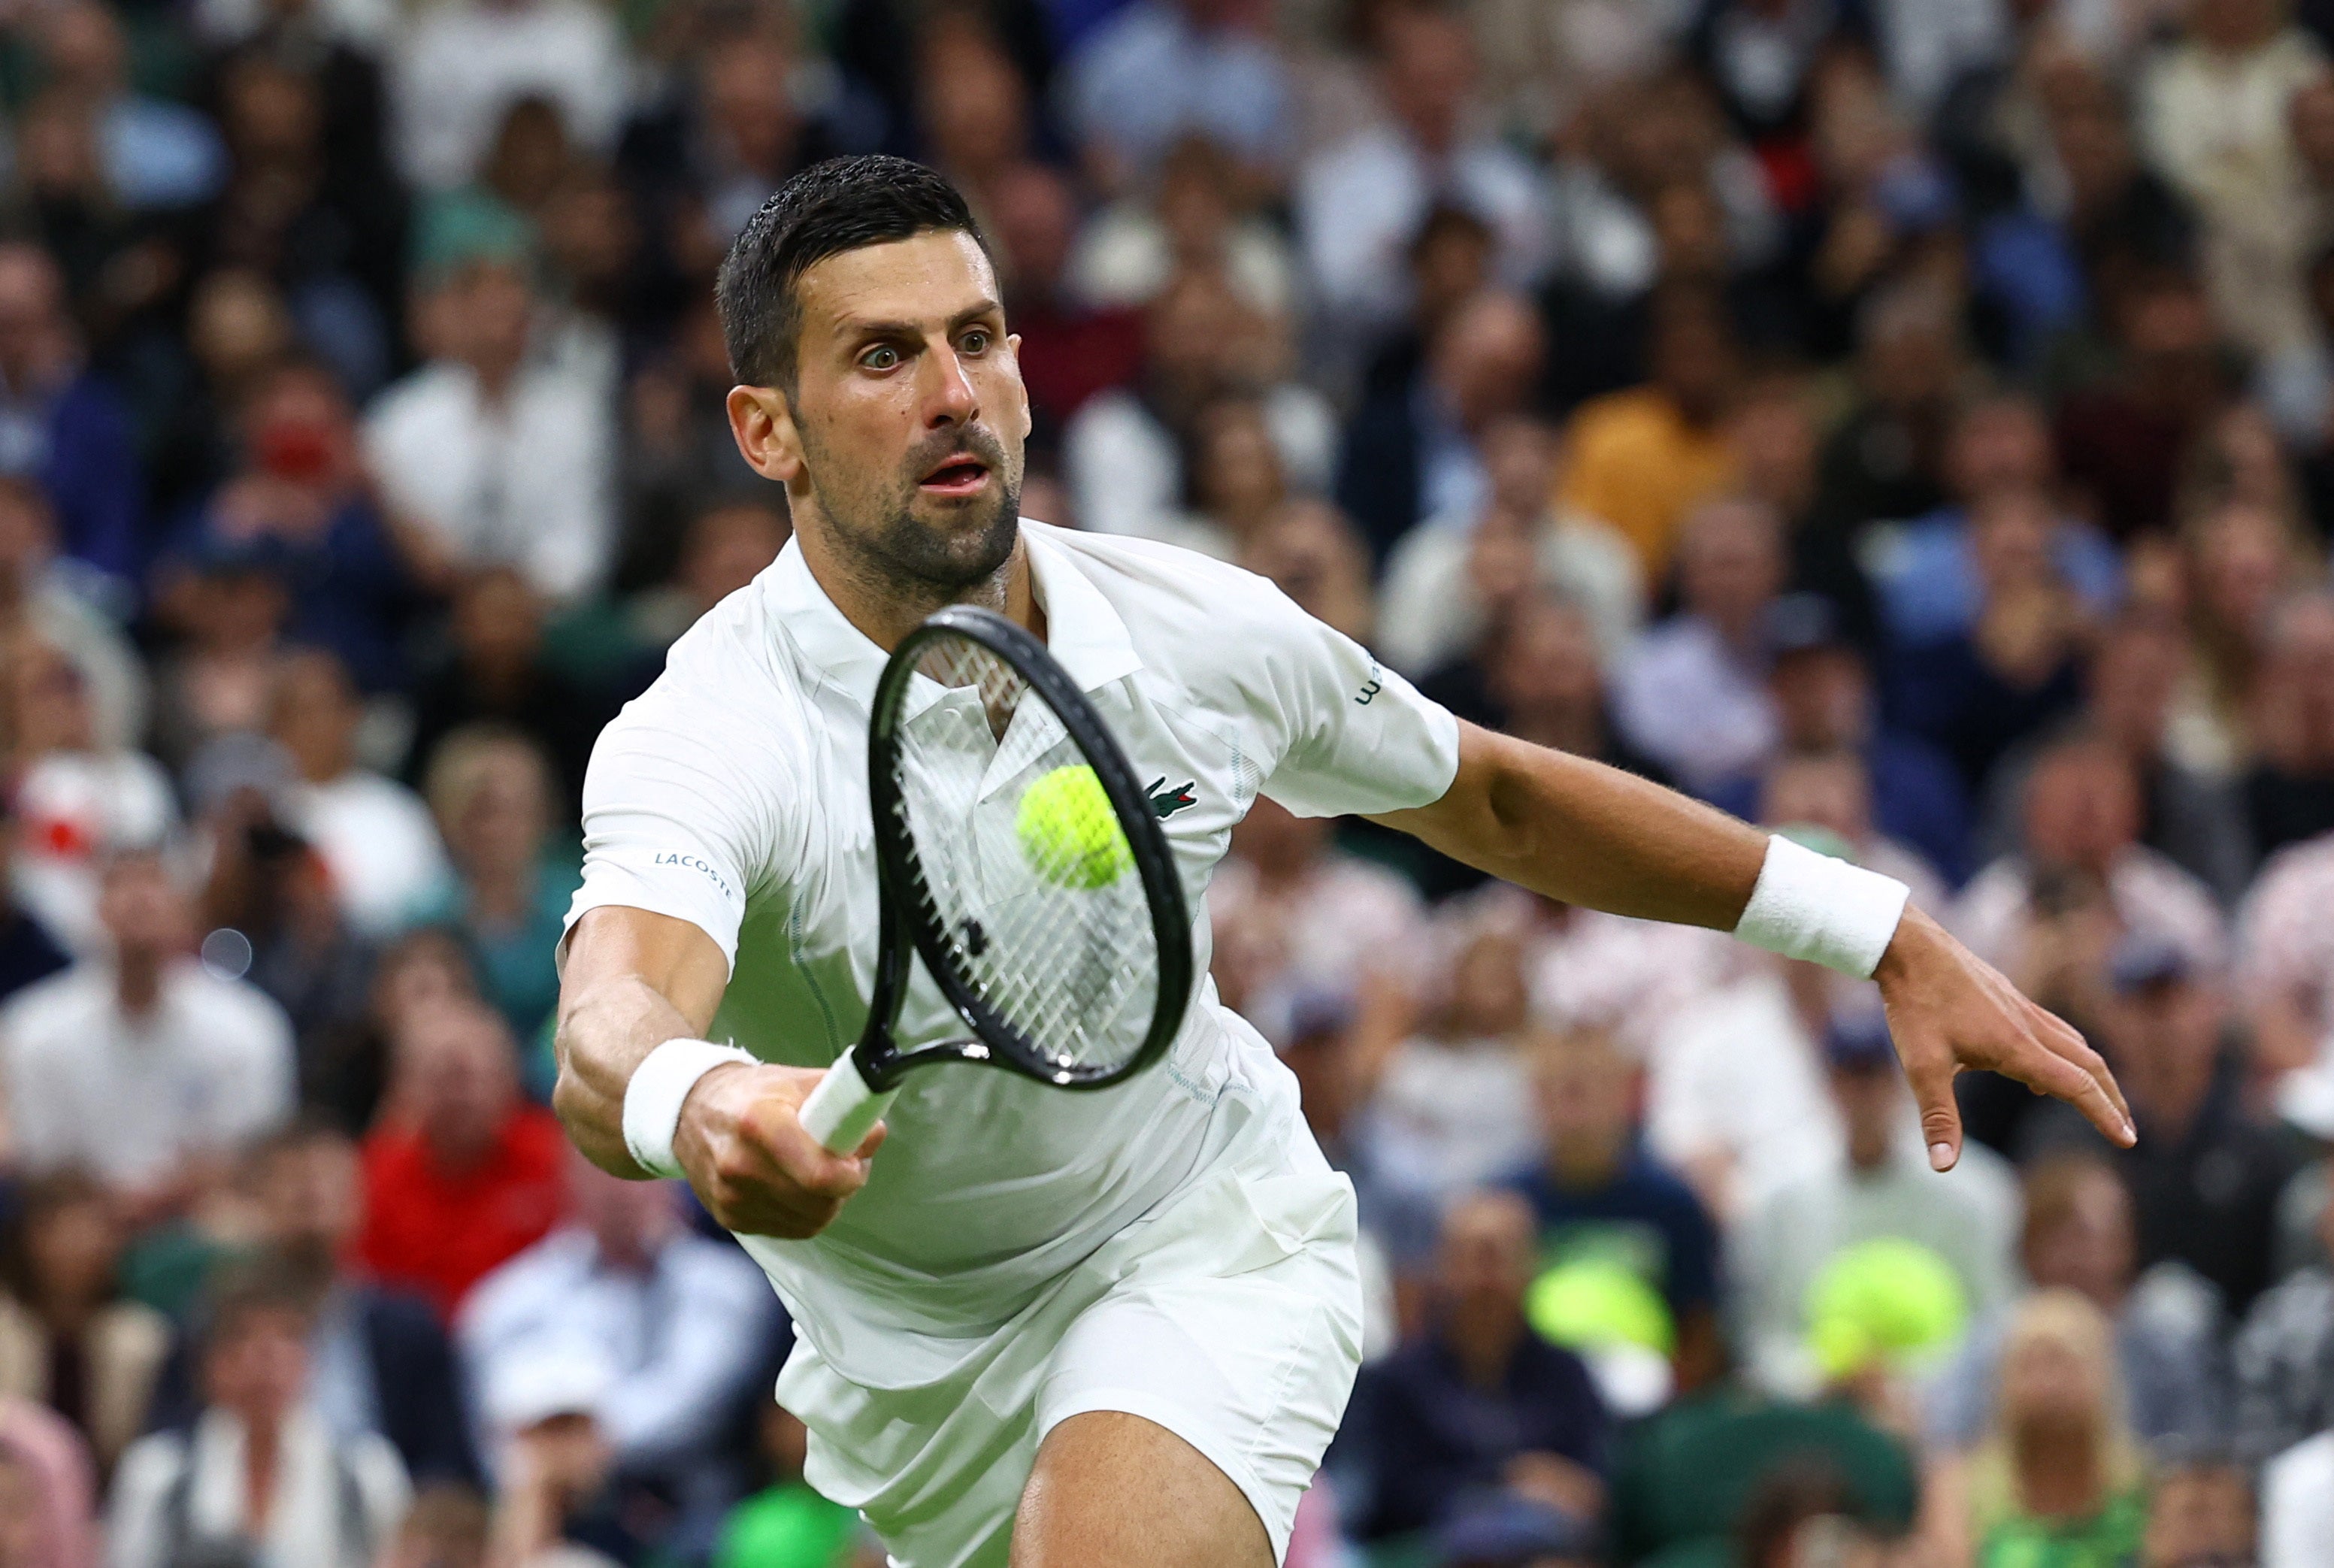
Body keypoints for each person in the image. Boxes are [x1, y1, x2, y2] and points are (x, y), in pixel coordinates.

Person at [552, 156, 2130, 1568]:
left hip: (1197, 1233)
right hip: (914, 1382)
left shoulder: (1192, 633)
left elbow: (1494, 799)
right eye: (881, 355)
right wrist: (695, 1098)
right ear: (766, 428)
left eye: (976, 335)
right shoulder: (705, 732)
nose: (951, 389)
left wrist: (1872, 926)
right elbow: (609, 1010)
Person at [459, 1151, 777, 1548]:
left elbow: (694, 1402)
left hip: (689, 1507)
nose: (617, 1189)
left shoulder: (726, 1284)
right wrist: (558, 1460)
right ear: (568, 1181)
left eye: (635, 1171)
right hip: (552, 1504)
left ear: (672, 1177)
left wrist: (576, 1443)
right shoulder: (510, 1300)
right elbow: (494, 1420)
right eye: (601, 1171)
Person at [1736, 1010, 2021, 1400]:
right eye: (1847, 1078)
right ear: (1828, 1085)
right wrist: (1821, 1378)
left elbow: (1994, 1319)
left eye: (1874, 1076)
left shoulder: (1975, 1192)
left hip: (1949, 1412)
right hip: (1819, 1410)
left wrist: (1914, 1388)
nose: (1862, 1094)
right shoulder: (1779, 1199)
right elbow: (1766, 1334)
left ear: (1901, 1081)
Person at [0, 849, 293, 1214]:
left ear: (187, 908)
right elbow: (36, 1158)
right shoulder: (32, 1027)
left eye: (154, 882)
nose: (138, 899)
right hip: (74, 1220)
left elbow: (253, 1156)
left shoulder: (249, 1026)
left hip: (196, 1221)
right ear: (94, 909)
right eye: (119, 884)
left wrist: (166, 1196)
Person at [1337, 1191, 1609, 1545]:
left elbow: (1596, 1487)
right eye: (1473, 1259)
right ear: (1442, 1267)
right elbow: (1382, 1501)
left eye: (1500, 1258)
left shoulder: (1567, 1375)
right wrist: (1506, 1479)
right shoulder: (1396, 1382)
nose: (1487, 1281)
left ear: (1532, 1264)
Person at [107, 1258, 410, 1568]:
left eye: (288, 1337)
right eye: (241, 1338)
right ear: (208, 1363)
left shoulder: (368, 1471)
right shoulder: (156, 1473)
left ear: (313, 1359)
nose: (266, 1358)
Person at [355, 998, 566, 1318]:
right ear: (406, 1087)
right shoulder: (374, 1175)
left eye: (470, 1077)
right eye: (443, 1078)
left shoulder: (554, 1156)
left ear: (507, 1079)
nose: (459, 1096)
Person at [1923, 1291, 2150, 1568]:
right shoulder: (1959, 1488)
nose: (2048, 1386)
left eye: (2063, 1362)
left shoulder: (2147, 1487)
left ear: (2102, 1374)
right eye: (2030, 1366)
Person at [0, 1170, 170, 1473]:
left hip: (115, 1497)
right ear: (28, 1238)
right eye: (60, 1229)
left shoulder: (142, 1337)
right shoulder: (6, 1329)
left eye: (90, 1228)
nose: (76, 1244)